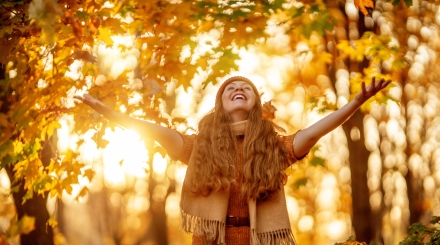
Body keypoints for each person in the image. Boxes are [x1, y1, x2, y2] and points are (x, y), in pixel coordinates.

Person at [75, 76, 391, 245]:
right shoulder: (198, 146)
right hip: (212, 241)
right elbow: (153, 131)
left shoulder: (272, 146)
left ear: (253, 103)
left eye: (246, 88)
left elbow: (313, 132)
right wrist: (108, 112)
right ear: (221, 102)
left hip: (258, 241)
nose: (238, 89)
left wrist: (356, 102)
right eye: (231, 87)